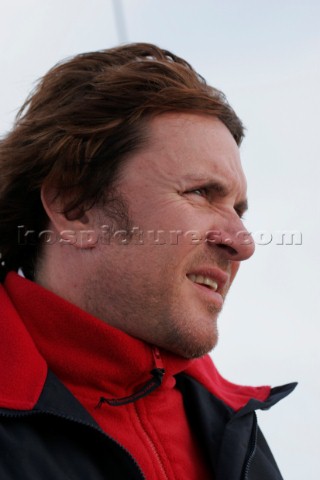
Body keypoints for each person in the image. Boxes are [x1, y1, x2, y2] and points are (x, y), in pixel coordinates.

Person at [0, 43, 296, 480]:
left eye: (239, 210)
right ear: (75, 206)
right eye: (200, 193)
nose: (243, 243)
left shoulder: (237, 433)